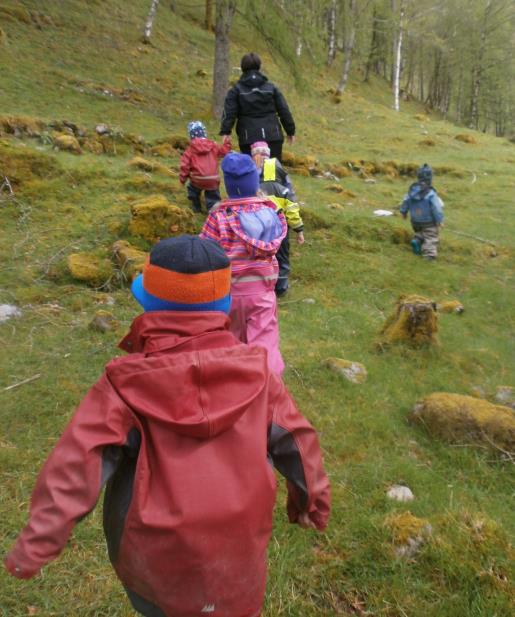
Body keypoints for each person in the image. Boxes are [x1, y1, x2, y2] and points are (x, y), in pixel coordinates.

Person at [5, 235, 331, 617]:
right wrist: (311, 503)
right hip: (238, 547)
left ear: (148, 301)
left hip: (153, 556)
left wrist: (38, 543)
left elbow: (78, 463)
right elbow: (299, 442)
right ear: (224, 303)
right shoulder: (260, 373)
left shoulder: (122, 384)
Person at [200, 152, 287, 374]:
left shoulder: (218, 216)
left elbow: (205, 253)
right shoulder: (271, 212)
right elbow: (278, 244)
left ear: (228, 185)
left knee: (230, 342)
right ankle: (268, 385)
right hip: (262, 293)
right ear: (254, 181)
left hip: (228, 293)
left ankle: (234, 387)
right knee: (264, 342)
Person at [251, 141, 305, 296]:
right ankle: (280, 288)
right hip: (281, 229)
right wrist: (299, 229)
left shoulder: (253, 187)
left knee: (261, 257)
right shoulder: (284, 188)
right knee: (282, 257)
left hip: (258, 228)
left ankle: (261, 285)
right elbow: (292, 209)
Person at [220, 52, 295, 161]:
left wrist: (226, 131)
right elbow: (284, 110)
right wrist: (290, 131)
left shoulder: (236, 90)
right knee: (270, 173)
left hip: (248, 137)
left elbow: (229, 112)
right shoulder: (271, 88)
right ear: (259, 67)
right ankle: (268, 177)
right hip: (272, 136)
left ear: (242, 68)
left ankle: (256, 178)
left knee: (252, 171)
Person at [179, 120, 231, 213]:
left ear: (191, 136)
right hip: (213, 179)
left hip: (197, 179)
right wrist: (227, 142)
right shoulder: (213, 146)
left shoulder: (190, 149)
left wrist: (182, 180)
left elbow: (185, 166)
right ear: (204, 134)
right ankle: (213, 210)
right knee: (213, 196)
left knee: (192, 189)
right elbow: (225, 151)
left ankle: (196, 206)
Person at [400, 163, 444, 260]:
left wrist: (403, 212)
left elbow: (405, 201)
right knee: (431, 236)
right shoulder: (431, 194)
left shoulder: (412, 191)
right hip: (429, 222)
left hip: (415, 220)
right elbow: (436, 208)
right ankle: (429, 255)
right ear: (430, 179)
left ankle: (417, 240)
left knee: (421, 232)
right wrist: (439, 220)